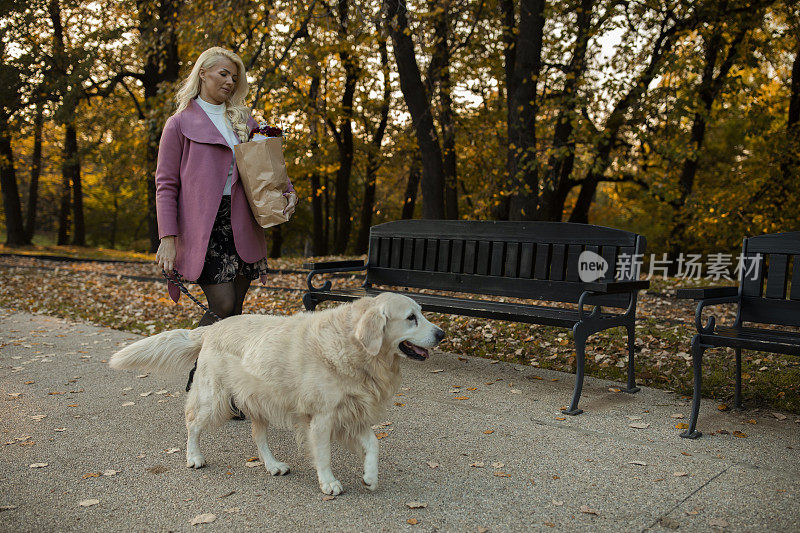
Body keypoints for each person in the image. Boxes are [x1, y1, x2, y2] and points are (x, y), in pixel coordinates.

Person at [154, 46, 297, 329]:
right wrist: (167, 237)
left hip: (242, 221)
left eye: (234, 77)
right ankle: (194, 367)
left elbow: (265, 165)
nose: (230, 82)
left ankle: (217, 374)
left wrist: (288, 190)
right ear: (203, 73)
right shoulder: (178, 124)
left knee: (235, 314)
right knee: (223, 306)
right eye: (223, 74)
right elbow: (165, 185)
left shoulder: (244, 121)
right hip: (203, 227)